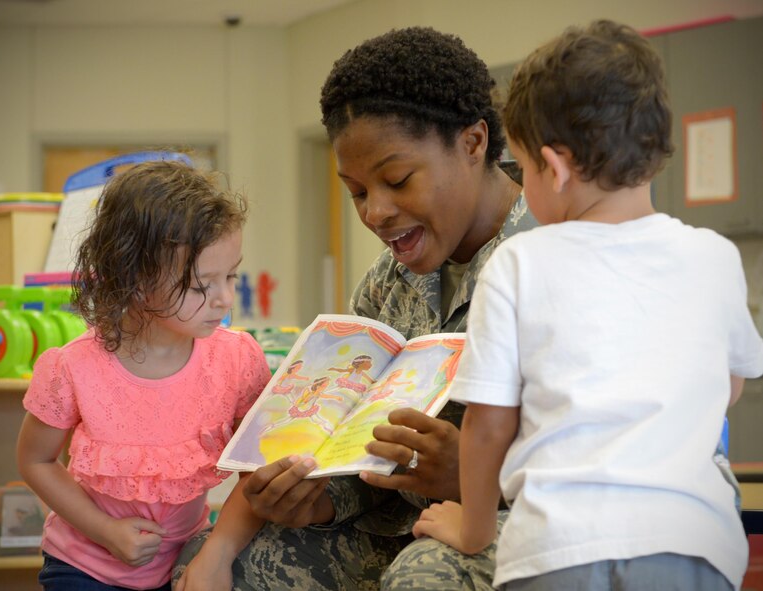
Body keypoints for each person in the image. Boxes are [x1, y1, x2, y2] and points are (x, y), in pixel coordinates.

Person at [172, 26, 537, 591]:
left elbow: (615, 456)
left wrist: (471, 476)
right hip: (398, 525)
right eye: (357, 192)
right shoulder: (384, 287)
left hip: (523, 520)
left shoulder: (553, 262)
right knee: (211, 564)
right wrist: (314, 499)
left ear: (473, 142)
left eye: (396, 180)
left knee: (425, 579)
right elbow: (356, 450)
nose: (376, 213)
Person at [412, 19, 763, 591]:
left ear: (554, 168)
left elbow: (487, 426)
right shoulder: (713, 257)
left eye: (522, 168)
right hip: (694, 545)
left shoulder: (520, 262)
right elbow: (729, 384)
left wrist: (473, 530)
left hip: (557, 550)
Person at [16, 160, 271, 591]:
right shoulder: (72, 367)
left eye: (230, 276)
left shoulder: (238, 360)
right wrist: (103, 530)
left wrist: (217, 551)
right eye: (200, 286)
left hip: (187, 559)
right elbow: (35, 460)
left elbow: (257, 471)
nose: (224, 299)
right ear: (133, 277)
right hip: (83, 564)